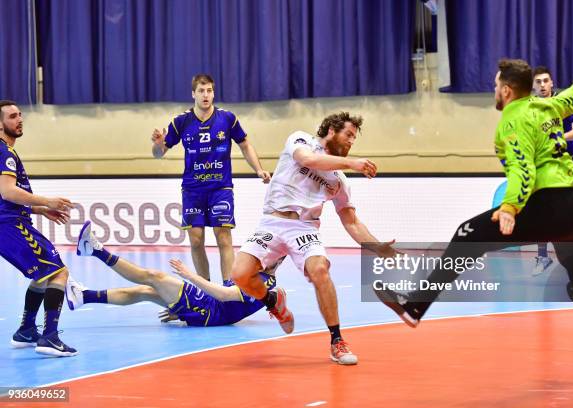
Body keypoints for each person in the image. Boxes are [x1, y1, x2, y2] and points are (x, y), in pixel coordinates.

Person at [376, 61, 573, 326]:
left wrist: (510, 207)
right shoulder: (546, 106)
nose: (494, 90)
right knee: (569, 252)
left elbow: (521, 168)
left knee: (468, 232)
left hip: (555, 205)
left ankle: (415, 305)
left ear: (506, 90)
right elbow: (569, 101)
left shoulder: (512, 121)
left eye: (495, 85)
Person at [230, 112, 396, 365]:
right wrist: (351, 163)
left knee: (320, 269)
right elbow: (308, 159)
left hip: (304, 227)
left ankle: (337, 340)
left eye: (354, 137)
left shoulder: (339, 181)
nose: (351, 141)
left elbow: (350, 221)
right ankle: (273, 301)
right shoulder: (301, 140)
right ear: (331, 130)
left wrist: (377, 247)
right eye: (348, 135)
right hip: (272, 222)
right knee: (240, 275)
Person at [151, 74, 271, 282]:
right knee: (196, 240)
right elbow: (158, 153)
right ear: (193, 94)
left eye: (209, 91)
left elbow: (245, 145)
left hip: (220, 188)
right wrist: (158, 144)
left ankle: (227, 288)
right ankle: (206, 288)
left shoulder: (227, 119)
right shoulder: (181, 122)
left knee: (223, 236)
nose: (205, 95)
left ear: (213, 93)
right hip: (193, 189)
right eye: (201, 91)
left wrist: (258, 170)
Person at [68, 221, 280, 327]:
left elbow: (224, 295)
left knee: (154, 276)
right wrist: (184, 311)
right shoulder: (255, 270)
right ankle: (83, 296)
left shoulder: (263, 283)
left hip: (208, 311)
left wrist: (190, 276)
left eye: (266, 250)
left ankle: (95, 250)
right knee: (145, 291)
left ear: (277, 259)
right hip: (207, 309)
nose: (260, 252)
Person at [0, 100, 77, 357]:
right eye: (12, 116)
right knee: (59, 273)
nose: (19, 119)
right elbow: (8, 193)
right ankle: (50, 337)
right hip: (10, 226)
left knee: (41, 276)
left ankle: (26, 331)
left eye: (20, 115)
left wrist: (39, 210)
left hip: (10, 224)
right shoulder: (5, 154)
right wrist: (47, 201)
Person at [531, 66, 573, 275]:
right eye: (538, 82)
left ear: (552, 83)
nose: (542, 85)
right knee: (542, 210)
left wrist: (560, 137)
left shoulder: (563, 103)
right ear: (533, 85)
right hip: (544, 167)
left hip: (569, 165)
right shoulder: (530, 108)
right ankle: (542, 256)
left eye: (545, 81)